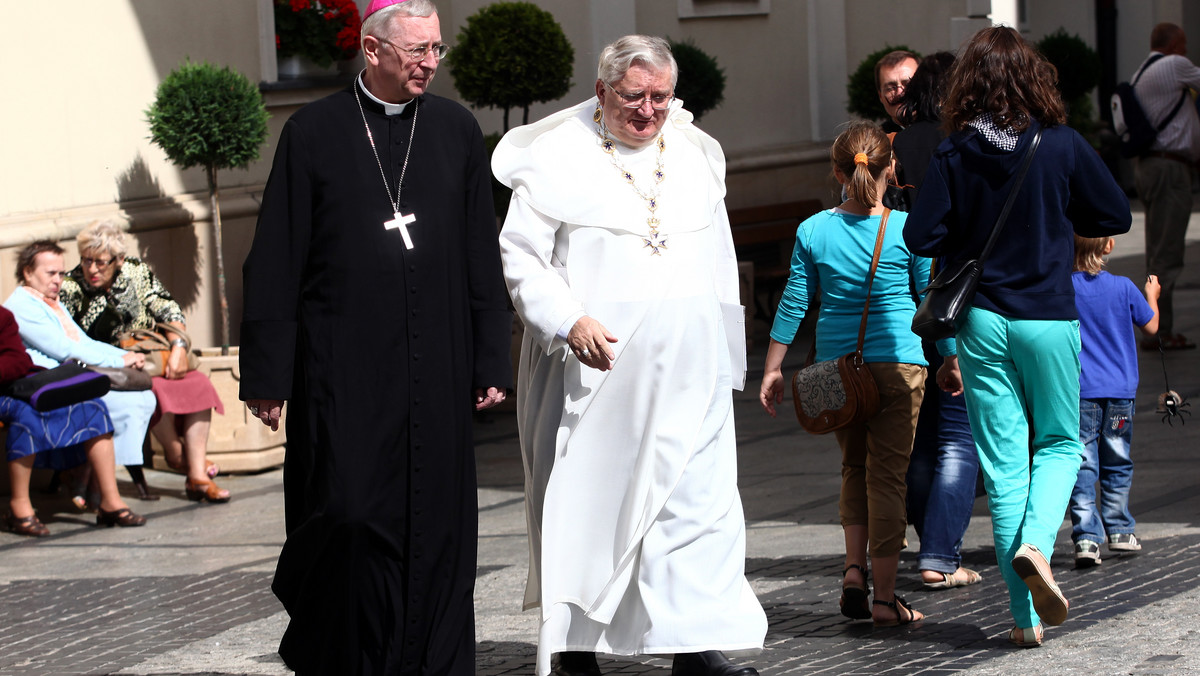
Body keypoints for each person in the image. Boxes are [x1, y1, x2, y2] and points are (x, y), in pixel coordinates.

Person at [239, 0, 512, 672]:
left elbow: (481, 251)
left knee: (440, 528)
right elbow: (278, 255)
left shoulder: (453, 130)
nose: (431, 64)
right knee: (350, 515)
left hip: (440, 366)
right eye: (418, 50)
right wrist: (270, 372)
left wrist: (489, 356)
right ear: (372, 49)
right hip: (343, 370)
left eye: (437, 50)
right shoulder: (313, 132)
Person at [495, 34, 765, 676]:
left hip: (690, 375)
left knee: (695, 514)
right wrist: (568, 321)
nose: (648, 111)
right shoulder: (557, 156)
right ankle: (575, 653)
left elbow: (721, 263)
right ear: (601, 91)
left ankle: (695, 648)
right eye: (634, 97)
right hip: (598, 379)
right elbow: (521, 257)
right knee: (591, 514)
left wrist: (728, 358)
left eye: (662, 98)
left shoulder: (696, 152)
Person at [905, 27, 1132, 648]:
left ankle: (1023, 619)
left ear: (968, 85)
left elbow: (919, 239)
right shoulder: (1059, 144)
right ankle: (1038, 544)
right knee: (1059, 442)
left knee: (1005, 471)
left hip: (980, 320)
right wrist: (1057, 214)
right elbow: (1114, 215)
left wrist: (963, 231)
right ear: (1035, 79)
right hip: (1049, 316)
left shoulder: (953, 153)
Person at [761, 121, 943, 630]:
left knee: (853, 470)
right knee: (888, 480)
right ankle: (885, 599)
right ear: (892, 168)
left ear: (836, 171)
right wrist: (949, 357)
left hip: (837, 369)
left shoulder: (813, 229)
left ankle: (853, 572)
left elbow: (796, 299)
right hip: (900, 363)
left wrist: (773, 367)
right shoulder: (911, 229)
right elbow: (927, 300)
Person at [893, 51, 983, 592]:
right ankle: (939, 553)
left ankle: (927, 536)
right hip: (957, 299)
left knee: (922, 439)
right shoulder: (963, 146)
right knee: (957, 436)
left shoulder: (902, 144)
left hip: (911, 309)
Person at [59, 221, 229, 504]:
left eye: (101, 262)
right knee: (153, 389)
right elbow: (67, 340)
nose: (92, 269)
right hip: (112, 369)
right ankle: (177, 456)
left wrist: (177, 347)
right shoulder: (71, 287)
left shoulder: (135, 271)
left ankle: (197, 475)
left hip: (150, 358)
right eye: (86, 260)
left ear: (119, 259)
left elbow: (169, 308)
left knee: (197, 383)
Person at [3, 241, 156, 525]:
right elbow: (64, 350)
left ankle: (108, 500)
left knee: (104, 406)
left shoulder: (52, 304)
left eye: (61, 274)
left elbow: (83, 343)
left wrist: (123, 355)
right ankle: (81, 486)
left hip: (63, 380)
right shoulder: (18, 307)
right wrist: (120, 361)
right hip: (43, 383)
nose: (58, 280)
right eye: (51, 273)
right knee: (114, 402)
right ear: (27, 272)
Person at [0, 305, 145, 536]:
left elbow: (18, 359)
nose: (57, 280)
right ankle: (19, 507)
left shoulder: (3, 316)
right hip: (7, 398)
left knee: (93, 406)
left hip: (12, 386)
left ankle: (110, 501)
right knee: (25, 415)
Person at [1068, 236, 1159, 568]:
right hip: (1120, 392)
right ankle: (1120, 529)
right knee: (1118, 460)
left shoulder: (1064, 288)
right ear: (1108, 247)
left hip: (1080, 392)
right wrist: (1152, 296)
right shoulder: (1123, 287)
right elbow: (1151, 326)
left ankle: (1087, 538)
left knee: (1082, 464)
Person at [1131, 22, 1200, 351]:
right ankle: (1160, 330)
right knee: (1166, 254)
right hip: (1171, 168)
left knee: (1156, 249)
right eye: (1183, 45)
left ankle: (1155, 324)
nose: (1186, 52)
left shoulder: (1141, 72)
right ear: (1173, 45)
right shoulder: (1175, 65)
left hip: (1150, 166)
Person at [876, 50, 919, 133]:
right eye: (890, 88)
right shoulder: (877, 142)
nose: (900, 92)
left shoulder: (945, 131)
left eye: (907, 84)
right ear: (880, 96)